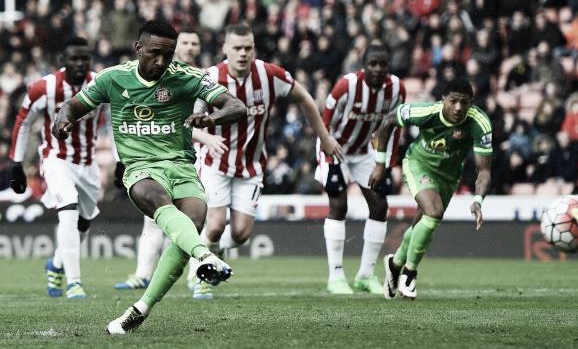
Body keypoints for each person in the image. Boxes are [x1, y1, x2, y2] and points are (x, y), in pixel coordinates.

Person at [51, 19, 247, 334]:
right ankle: (204, 256)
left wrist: (211, 118)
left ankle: (140, 309)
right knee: (156, 199)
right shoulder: (112, 79)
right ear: (138, 48)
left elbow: (237, 107)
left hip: (181, 166)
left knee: (194, 221)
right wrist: (61, 120)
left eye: (168, 56)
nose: (161, 62)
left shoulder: (187, 78)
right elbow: (71, 107)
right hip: (140, 167)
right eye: (155, 53)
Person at [188, 22, 344, 299]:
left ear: (254, 49)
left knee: (240, 234)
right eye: (237, 48)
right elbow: (188, 121)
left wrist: (326, 138)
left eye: (248, 48)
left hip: (251, 166)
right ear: (226, 49)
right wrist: (207, 138)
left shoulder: (269, 75)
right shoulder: (210, 77)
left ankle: (213, 251)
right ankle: (202, 274)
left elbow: (306, 99)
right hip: (215, 162)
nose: (243, 53)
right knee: (214, 224)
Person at [112, 29, 228, 290]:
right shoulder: (146, 76)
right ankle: (143, 273)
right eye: (185, 42)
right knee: (155, 218)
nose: (189, 47)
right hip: (157, 157)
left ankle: (195, 274)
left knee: (195, 218)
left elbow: (192, 119)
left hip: (192, 157)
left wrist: (205, 136)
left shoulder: (199, 78)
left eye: (194, 42)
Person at [369, 78, 492, 300]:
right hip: (418, 164)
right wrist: (380, 164)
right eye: (453, 101)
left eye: (464, 103)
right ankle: (409, 274)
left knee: (423, 223)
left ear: (471, 103)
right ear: (443, 99)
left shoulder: (480, 123)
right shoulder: (425, 112)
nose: (458, 108)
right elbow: (388, 121)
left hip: (449, 176)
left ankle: (395, 264)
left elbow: (484, 170)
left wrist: (478, 200)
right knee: (433, 212)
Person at [9, 37, 102, 299]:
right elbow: (22, 122)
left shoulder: (99, 84)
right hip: (56, 159)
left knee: (84, 223)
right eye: (75, 58)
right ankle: (74, 283)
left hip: (88, 163)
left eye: (85, 58)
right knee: (68, 209)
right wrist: (17, 163)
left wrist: (119, 160)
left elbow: (115, 120)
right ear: (63, 61)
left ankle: (56, 264)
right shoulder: (45, 87)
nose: (80, 63)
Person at [316, 43, 406, 295]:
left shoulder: (397, 89)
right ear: (363, 65)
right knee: (338, 204)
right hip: (335, 145)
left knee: (379, 205)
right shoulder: (346, 86)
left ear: (389, 66)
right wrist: (328, 149)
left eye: (383, 64)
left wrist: (385, 164)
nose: (378, 69)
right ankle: (335, 276)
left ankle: (365, 276)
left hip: (366, 150)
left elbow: (394, 128)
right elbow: (324, 123)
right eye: (373, 64)